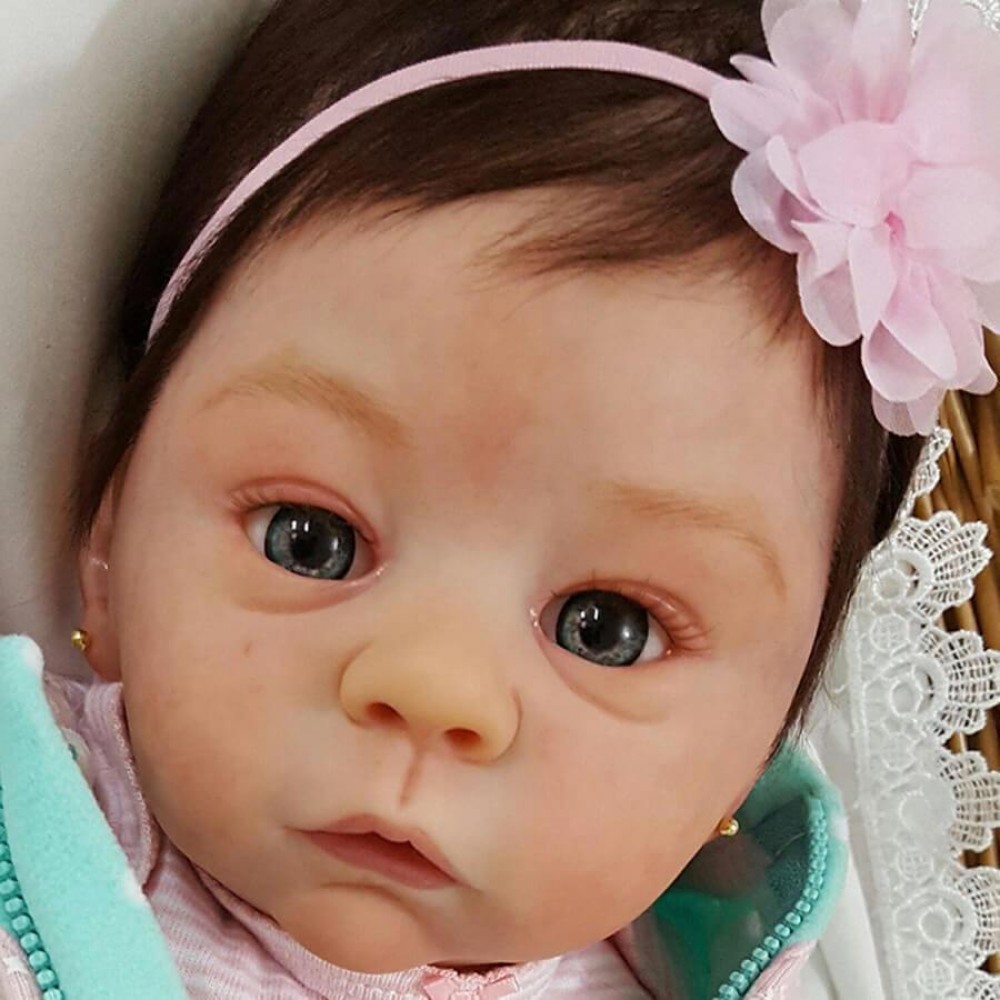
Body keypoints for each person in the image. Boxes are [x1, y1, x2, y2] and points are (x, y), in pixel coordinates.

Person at [1, 0, 997, 996]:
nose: (433, 688)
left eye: (606, 629)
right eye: (309, 541)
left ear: (758, 749)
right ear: (108, 537)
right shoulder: (42, 890)